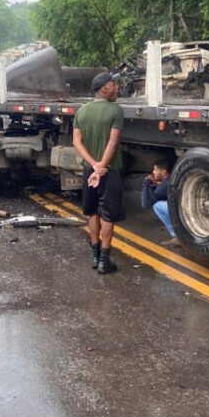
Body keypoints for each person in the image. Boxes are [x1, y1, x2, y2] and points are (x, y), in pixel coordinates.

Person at [73, 72, 125, 274]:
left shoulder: (82, 112)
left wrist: (93, 165)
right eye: (114, 85)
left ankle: (94, 257)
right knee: (108, 215)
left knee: (92, 212)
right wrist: (102, 166)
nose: (117, 88)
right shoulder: (115, 110)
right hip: (109, 171)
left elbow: (76, 142)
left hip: (89, 170)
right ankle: (105, 260)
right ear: (105, 88)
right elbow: (112, 142)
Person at [142, 159, 179, 247]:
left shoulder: (163, 187)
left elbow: (145, 204)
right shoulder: (172, 178)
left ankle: (177, 237)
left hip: (181, 213)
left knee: (157, 206)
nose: (153, 172)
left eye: (155, 170)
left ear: (163, 172)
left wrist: (146, 183)